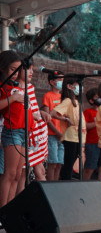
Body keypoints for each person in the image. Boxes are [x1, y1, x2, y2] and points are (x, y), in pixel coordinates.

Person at [0, 50, 34, 207]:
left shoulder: (16, 86)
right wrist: (13, 98)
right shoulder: (3, 87)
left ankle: (10, 210)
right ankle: (3, 210)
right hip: (12, 131)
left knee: (18, 175)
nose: (15, 73)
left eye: (17, 70)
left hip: (24, 131)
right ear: (3, 68)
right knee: (10, 173)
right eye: (12, 69)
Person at [16, 61, 50, 194]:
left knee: (40, 170)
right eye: (28, 69)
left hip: (36, 133)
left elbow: (33, 108)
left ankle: (46, 203)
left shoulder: (30, 87)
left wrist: (41, 113)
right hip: (25, 133)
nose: (31, 72)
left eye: (32, 69)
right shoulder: (16, 89)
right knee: (23, 173)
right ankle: (18, 205)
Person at [50, 77, 86, 180]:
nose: (81, 88)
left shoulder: (76, 102)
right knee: (68, 164)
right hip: (70, 137)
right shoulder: (68, 101)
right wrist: (65, 119)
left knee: (71, 162)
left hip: (77, 137)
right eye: (78, 85)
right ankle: (65, 183)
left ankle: (66, 181)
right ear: (69, 86)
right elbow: (52, 113)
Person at [42, 70, 65, 181]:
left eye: (63, 80)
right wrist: (57, 132)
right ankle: (50, 186)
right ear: (52, 82)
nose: (62, 82)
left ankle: (56, 185)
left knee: (59, 163)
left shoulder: (63, 96)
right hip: (52, 134)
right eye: (60, 80)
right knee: (52, 162)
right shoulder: (48, 96)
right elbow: (47, 117)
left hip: (62, 135)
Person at [83, 88, 101, 180]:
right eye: (96, 97)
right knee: (90, 167)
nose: (99, 98)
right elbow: (84, 126)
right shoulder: (88, 112)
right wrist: (98, 122)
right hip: (92, 144)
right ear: (91, 100)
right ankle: (83, 185)